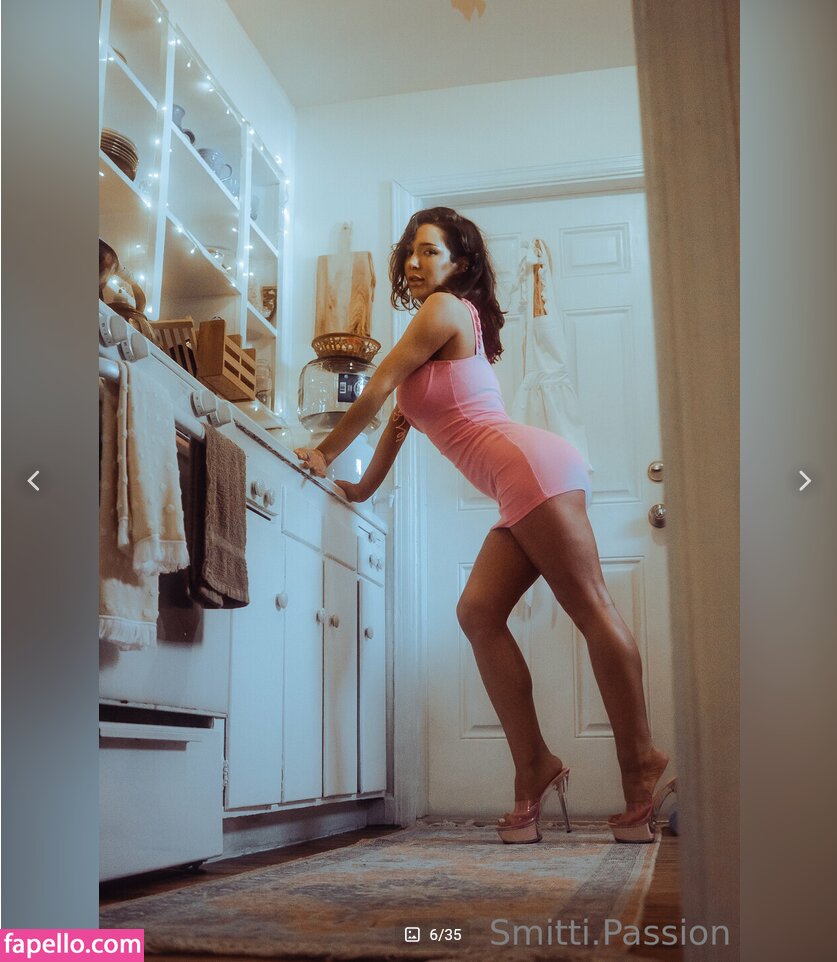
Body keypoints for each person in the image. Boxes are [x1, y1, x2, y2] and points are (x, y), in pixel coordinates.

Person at [296, 207, 674, 844]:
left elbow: (377, 387)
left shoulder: (444, 310)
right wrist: (357, 488)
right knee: (478, 613)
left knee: (592, 609)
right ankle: (535, 766)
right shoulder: (434, 338)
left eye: (429, 251)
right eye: (409, 252)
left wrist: (324, 452)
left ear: (461, 262)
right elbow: (397, 426)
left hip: (534, 470)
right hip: (519, 482)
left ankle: (641, 766)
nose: (414, 263)